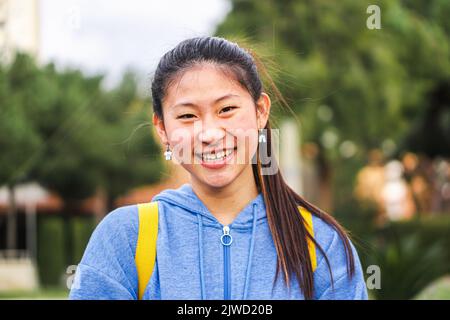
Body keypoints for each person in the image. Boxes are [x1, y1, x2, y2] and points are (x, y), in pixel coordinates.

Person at [69, 36, 368, 300]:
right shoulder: (125, 237)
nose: (209, 133)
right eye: (187, 116)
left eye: (226, 110)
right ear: (162, 128)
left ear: (260, 111)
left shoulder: (322, 243)